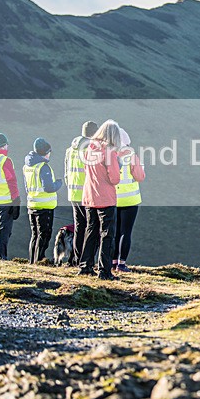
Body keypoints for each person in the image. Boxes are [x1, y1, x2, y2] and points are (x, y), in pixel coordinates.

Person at [79, 119, 121, 280]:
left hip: (89, 196)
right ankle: (104, 271)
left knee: (90, 231)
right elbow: (115, 178)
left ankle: (85, 266)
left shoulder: (89, 148)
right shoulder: (109, 151)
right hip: (105, 198)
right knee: (107, 234)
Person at [24, 137, 63, 264]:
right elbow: (48, 188)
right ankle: (39, 261)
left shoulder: (28, 166)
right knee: (44, 235)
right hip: (44, 207)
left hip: (32, 205)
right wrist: (58, 183)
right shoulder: (43, 167)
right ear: (45, 152)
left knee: (35, 235)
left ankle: (32, 261)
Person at [65, 120, 98, 266]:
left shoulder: (70, 150)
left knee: (79, 226)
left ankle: (76, 259)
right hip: (86, 193)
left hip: (73, 192)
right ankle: (85, 260)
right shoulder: (89, 149)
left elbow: (67, 172)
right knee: (90, 228)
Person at [113, 128, 145, 273]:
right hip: (130, 199)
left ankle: (112, 262)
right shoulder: (132, 155)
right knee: (126, 232)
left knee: (114, 232)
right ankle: (122, 264)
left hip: (113, 199)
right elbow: (140, 176)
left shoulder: (109, 155)